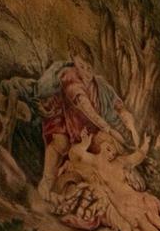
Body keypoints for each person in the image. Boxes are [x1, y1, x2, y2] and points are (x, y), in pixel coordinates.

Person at [60, 131, 160, 231]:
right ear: (101, 148)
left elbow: (137, 157)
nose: (112, 154)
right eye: (108, 149)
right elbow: (75, 154)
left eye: (113, 150)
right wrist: (84, 145)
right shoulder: (95, 162)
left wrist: (146, 143)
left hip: (138, 199)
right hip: (127, 207)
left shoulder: (120, 161)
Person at [36, 40, 139, 200]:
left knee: (108, 145)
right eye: (81, 66)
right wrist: (110, 130)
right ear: (75, 63)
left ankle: (121, 179)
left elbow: (118, 105)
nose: (86, 71)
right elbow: (87, 108)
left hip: (88, 130)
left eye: (88, 67)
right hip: (66, 123)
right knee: (61, 144)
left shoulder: (100, 84)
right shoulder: (70, 76)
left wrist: (127, 117)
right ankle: (47, 183)